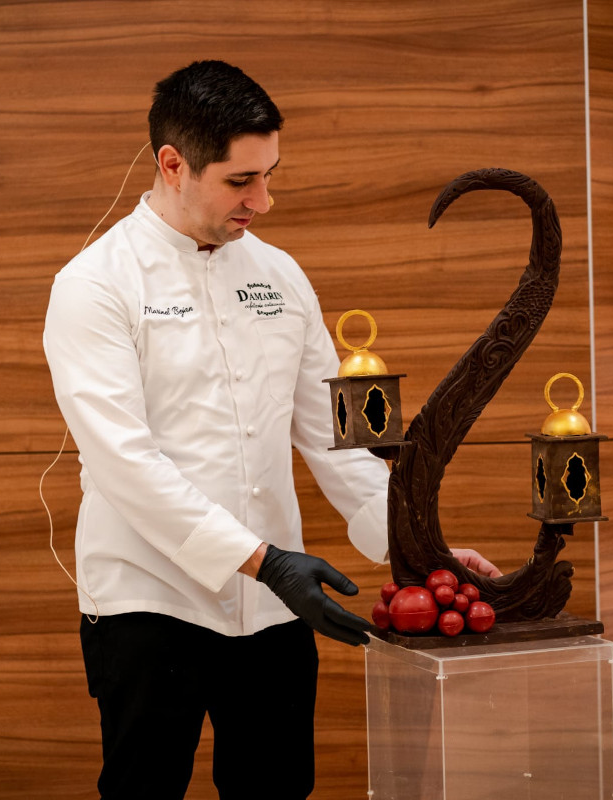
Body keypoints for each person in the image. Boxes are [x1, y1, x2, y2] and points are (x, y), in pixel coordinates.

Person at [43, 60, 500, 800]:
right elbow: (126, 462)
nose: (263, 199)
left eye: (269, 175)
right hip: (147, 599)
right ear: (172, 164)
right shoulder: (94, 285)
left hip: (273, 607)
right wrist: (264, 561)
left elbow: (333, 438)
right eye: (240, 180)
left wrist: (417, 549)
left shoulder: (281, 275)